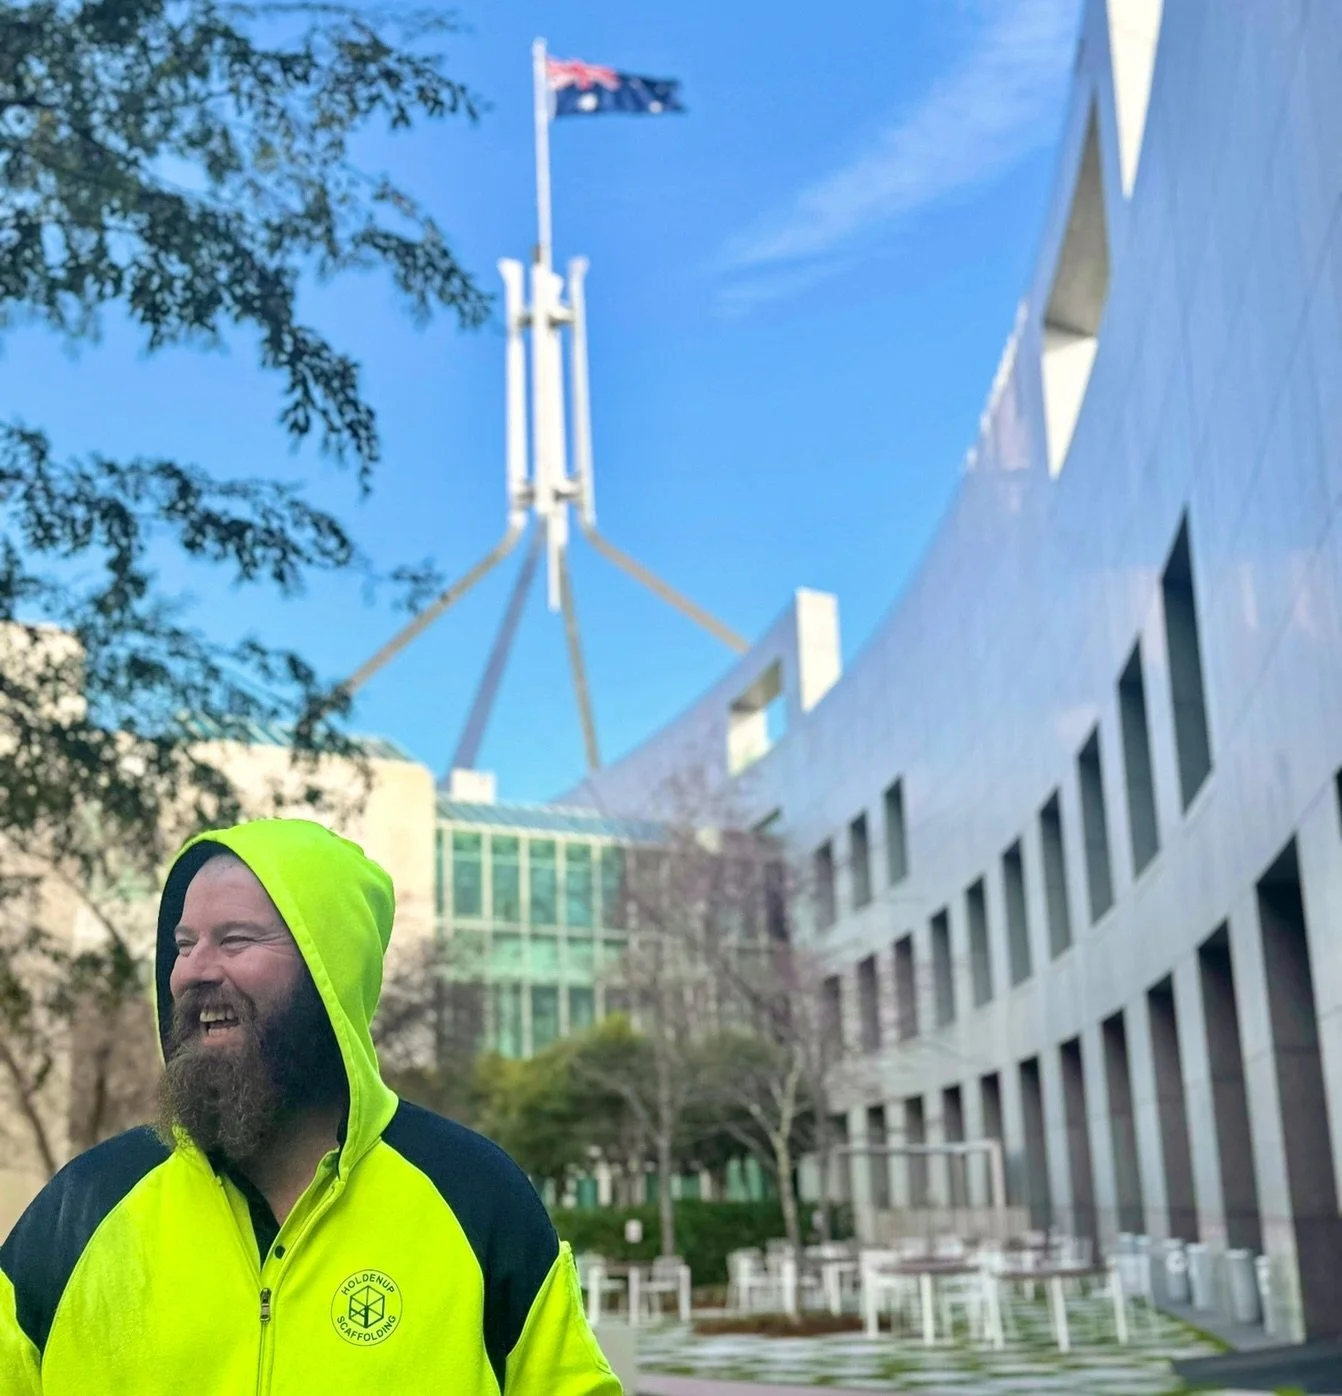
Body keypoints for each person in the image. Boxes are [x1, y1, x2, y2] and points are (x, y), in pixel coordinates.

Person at [0, 818, 622, 1394]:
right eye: (184, 945)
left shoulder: (475, 1197)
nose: (193, 971)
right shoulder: (83, 1208)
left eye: (235, 939)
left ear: (331, 974)